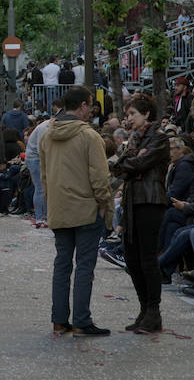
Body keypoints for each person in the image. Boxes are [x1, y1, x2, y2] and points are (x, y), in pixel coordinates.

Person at [40, 86, 114, 337]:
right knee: (84, 266)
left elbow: (44, 175)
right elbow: (100, 177)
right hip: (86, 209)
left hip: (60, 208)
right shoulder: (89, 136)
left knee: (62, 264)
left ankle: (59, 320)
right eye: (90, 106)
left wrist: (52, 203)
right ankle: (82, 319)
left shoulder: (47, 135)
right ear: (82, 106)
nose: (91, 111)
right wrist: (105, 205)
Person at [112, 93, 170, 334]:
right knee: (132, 259)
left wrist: (129, 165)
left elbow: (135, 165)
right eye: (127, 115)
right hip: (132, 201)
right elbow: (122, 168)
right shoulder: (134, 140)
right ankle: (144, 309)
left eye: (133, 114)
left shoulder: (160, 138)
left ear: (146, 113)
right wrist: (129, 164)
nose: (129, 119)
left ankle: (153, 312)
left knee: (147, 259)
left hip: (150, 201)